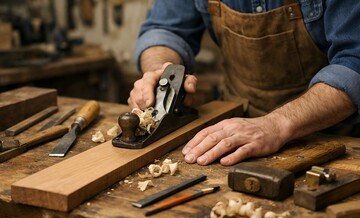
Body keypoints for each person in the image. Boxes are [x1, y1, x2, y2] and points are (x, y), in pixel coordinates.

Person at [128, 0, 360, 166]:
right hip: (231, 124)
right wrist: (159, 70)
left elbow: (354, 62)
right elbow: (166, 28)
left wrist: (277, 124)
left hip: (331, 137)